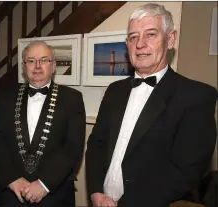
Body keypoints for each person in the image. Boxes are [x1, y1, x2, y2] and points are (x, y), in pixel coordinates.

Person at [86, 3, 217, 207]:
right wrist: (95, 192)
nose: (140, 44)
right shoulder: (114, 91)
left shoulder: (197, 96)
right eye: (133, 37)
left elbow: (186, 171)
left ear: (170, 39)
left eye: (151, 34)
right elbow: (96, 146)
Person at [0, 40, 86, 207]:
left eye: (44, 60)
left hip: (54, 195)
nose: (37, 66)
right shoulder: (6, 96)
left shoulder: (72, 98)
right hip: (11, 195)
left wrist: (44, 184)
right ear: (24, 66)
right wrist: (12, 179)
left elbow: (73, 147)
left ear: (53, 66)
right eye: (31, 61)